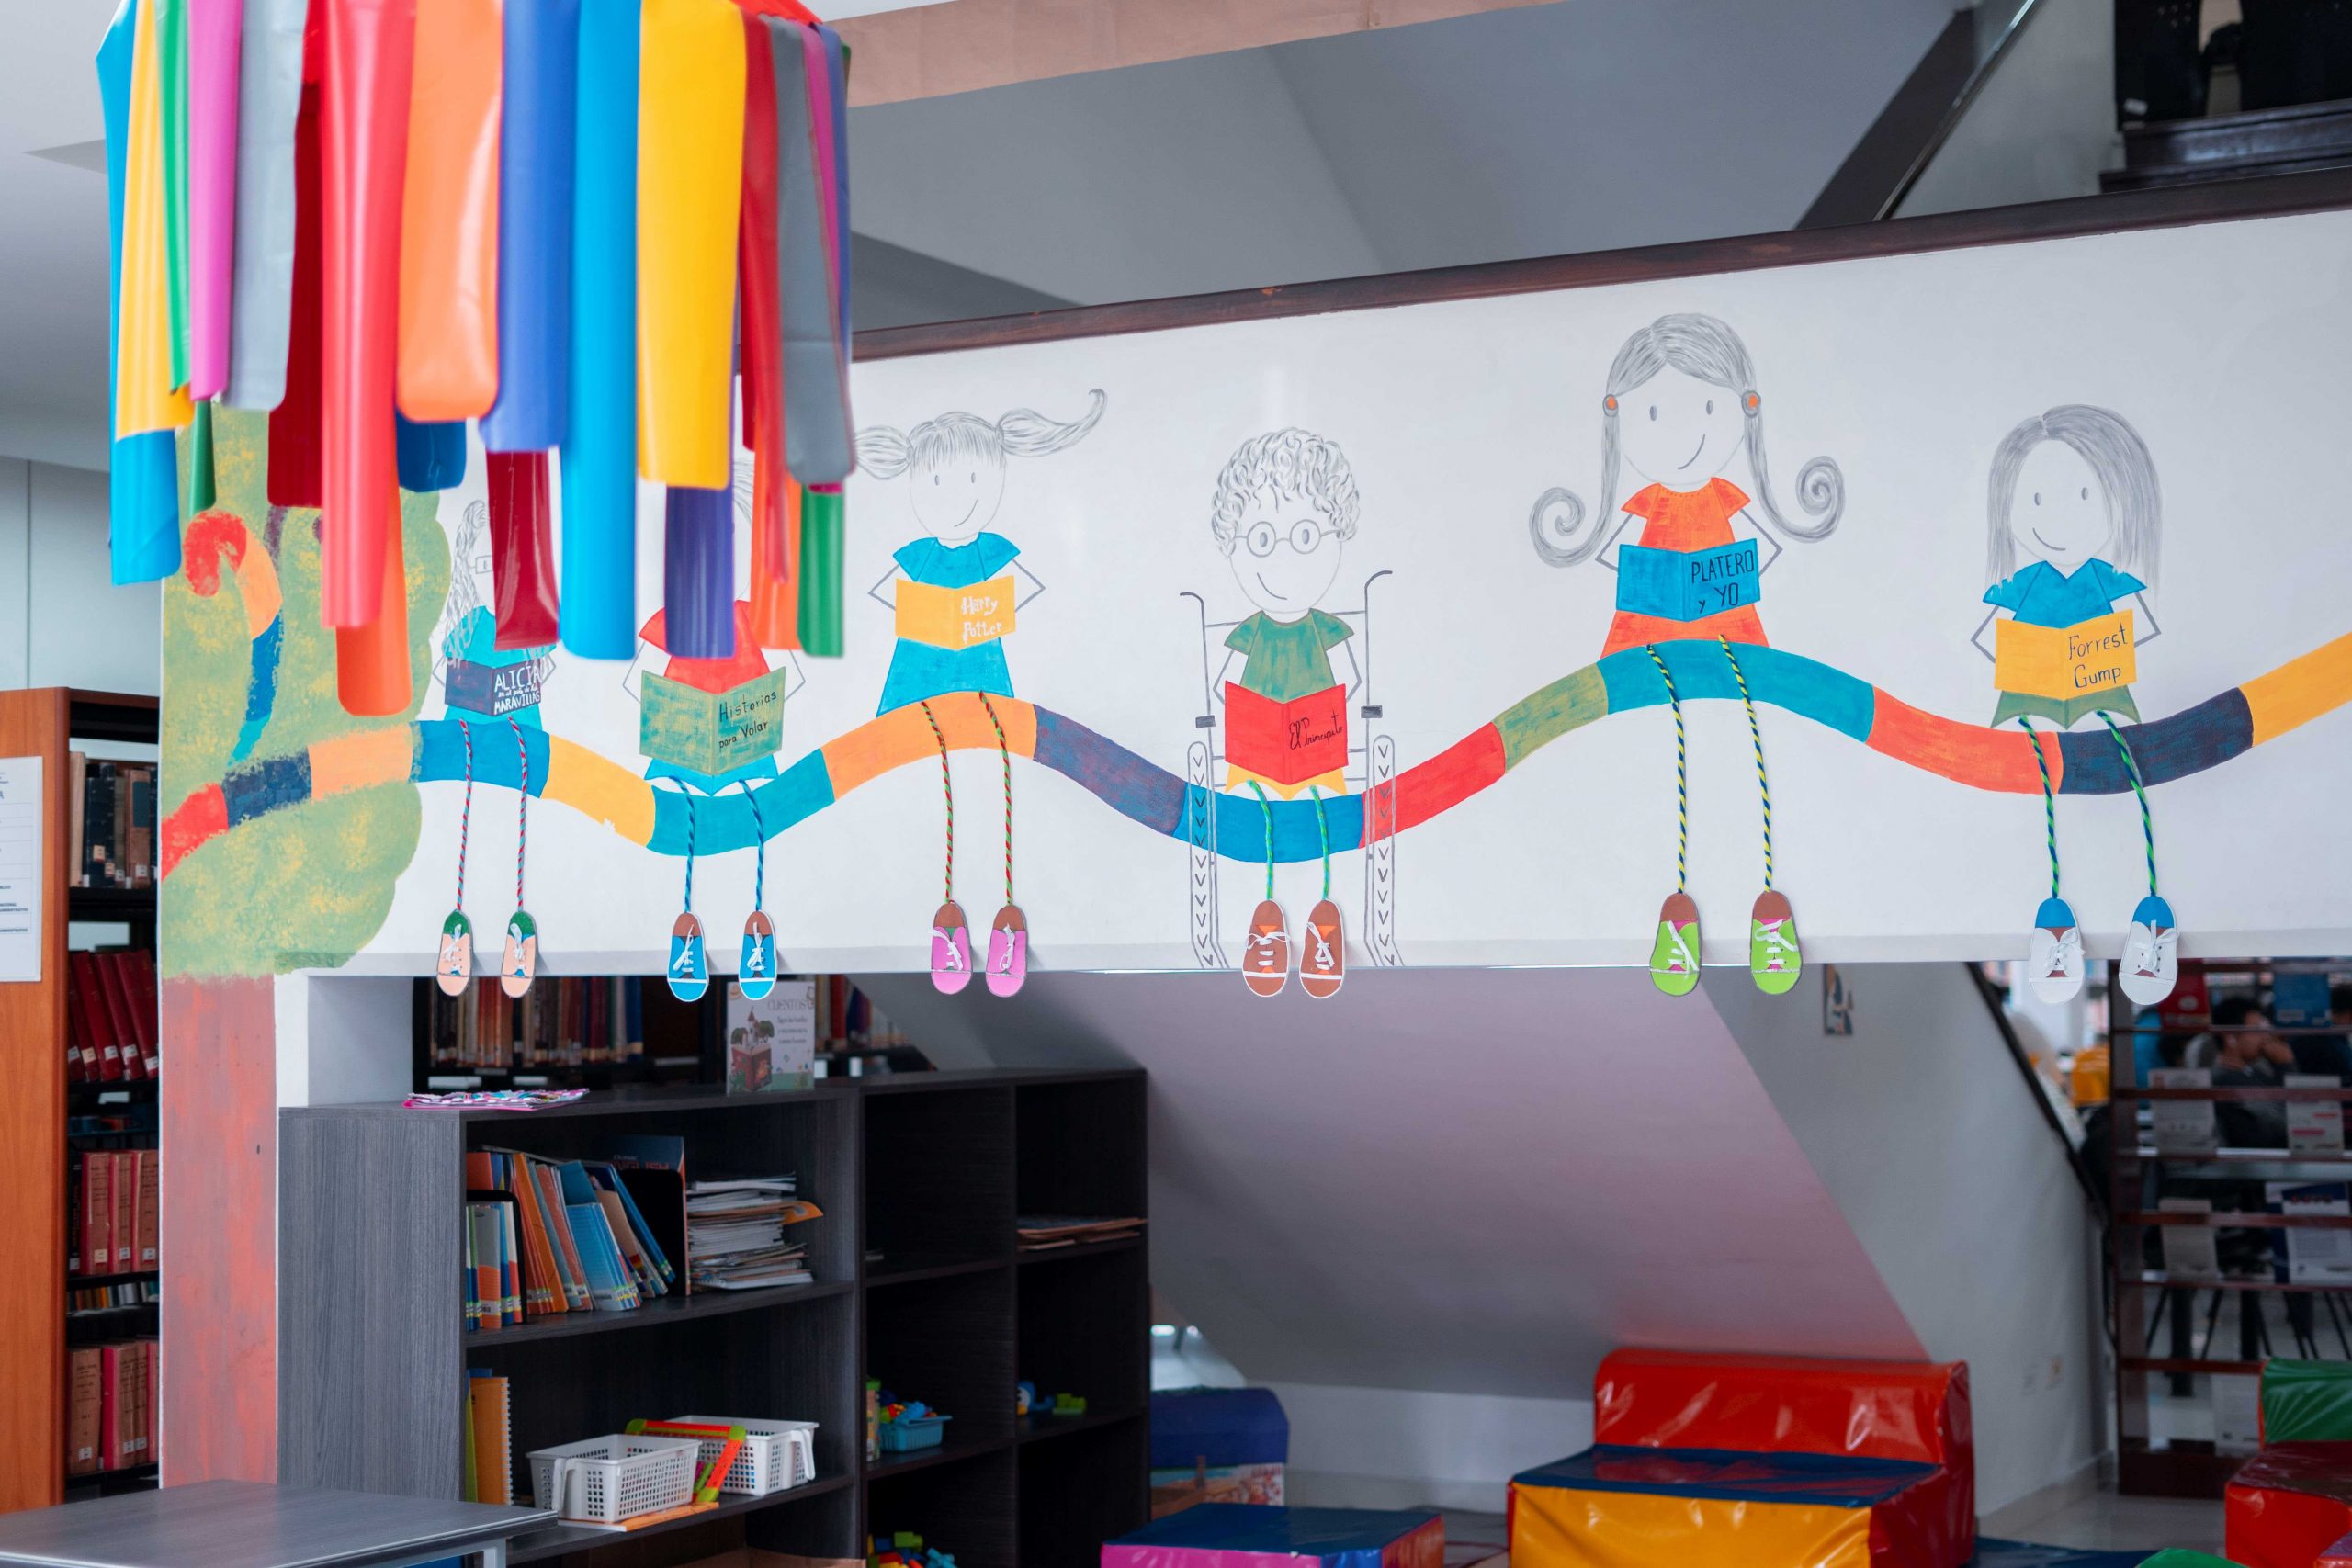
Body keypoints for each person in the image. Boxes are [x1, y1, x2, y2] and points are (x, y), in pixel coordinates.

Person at [1523, 312, 1845, 657]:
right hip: (1646, 640)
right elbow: (1623, 564)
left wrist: (1726, 577)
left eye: (1709, 408)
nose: (1680, 434)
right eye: (1652, 414)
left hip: (1729, 637)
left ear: (1747, 406)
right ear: (1615, 413)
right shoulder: (1649, 503)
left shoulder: (1724, 498)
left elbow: (1756, 560)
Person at [2199, 996, 2294, 1148]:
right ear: (2230, 1038)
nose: (2265, 1037)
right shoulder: (2226, 1081)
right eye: (2256, 1030)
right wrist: (2285, 1066)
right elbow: (2283, 1124)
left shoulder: (2252, 1072)